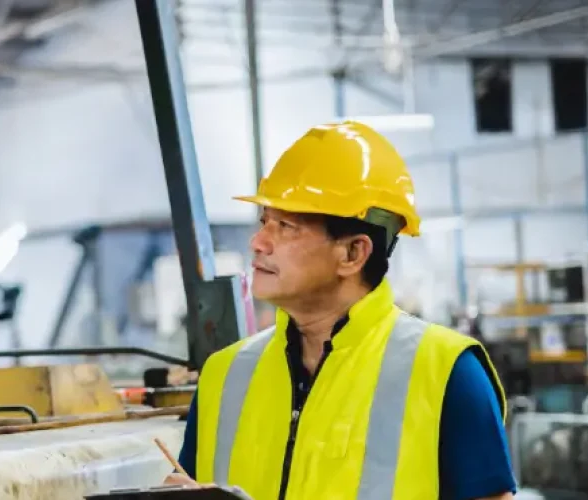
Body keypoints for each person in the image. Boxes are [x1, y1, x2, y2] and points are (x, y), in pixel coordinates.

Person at [169, 121, 517, 500]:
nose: (258, 242)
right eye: (263, 222)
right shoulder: (225, 376)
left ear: (353, 253)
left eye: (286, 226)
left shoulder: (448, 373)